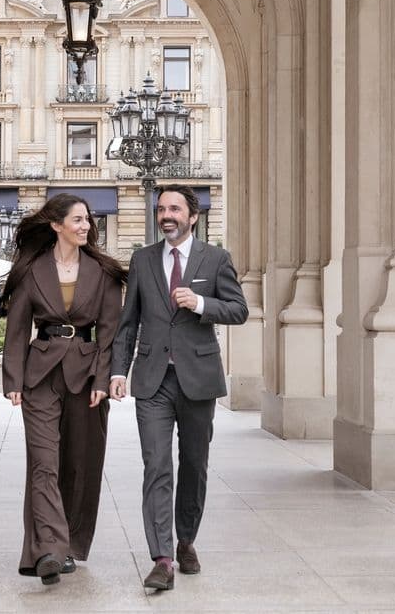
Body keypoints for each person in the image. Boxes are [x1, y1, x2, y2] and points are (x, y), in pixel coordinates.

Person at [109, 184, 248, 591]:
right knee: (156, 465)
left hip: (198, 380)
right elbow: (128, 321)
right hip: (152, 380)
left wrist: (201, 303)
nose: (166, 215)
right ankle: (162, 558)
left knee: (194, 465)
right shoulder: (142, 259)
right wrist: (118, 372)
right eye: (161, 209)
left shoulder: (216, 258)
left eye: (174, 209)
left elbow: (238, 310)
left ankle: (186, 540)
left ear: (193, 216)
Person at [1, 194, 125, 585]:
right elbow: (17, 328)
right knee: (44, 463)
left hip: (86, 378)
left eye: (87, 219)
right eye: (78, 220)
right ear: (57, 225)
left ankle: (69, 543)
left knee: (78, 463)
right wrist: (13, 380)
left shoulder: (103, 272)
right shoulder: (31, 269)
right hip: (39, 375)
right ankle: (49, 550)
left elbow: (109, 333)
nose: (86, 226)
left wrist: (103, 380)